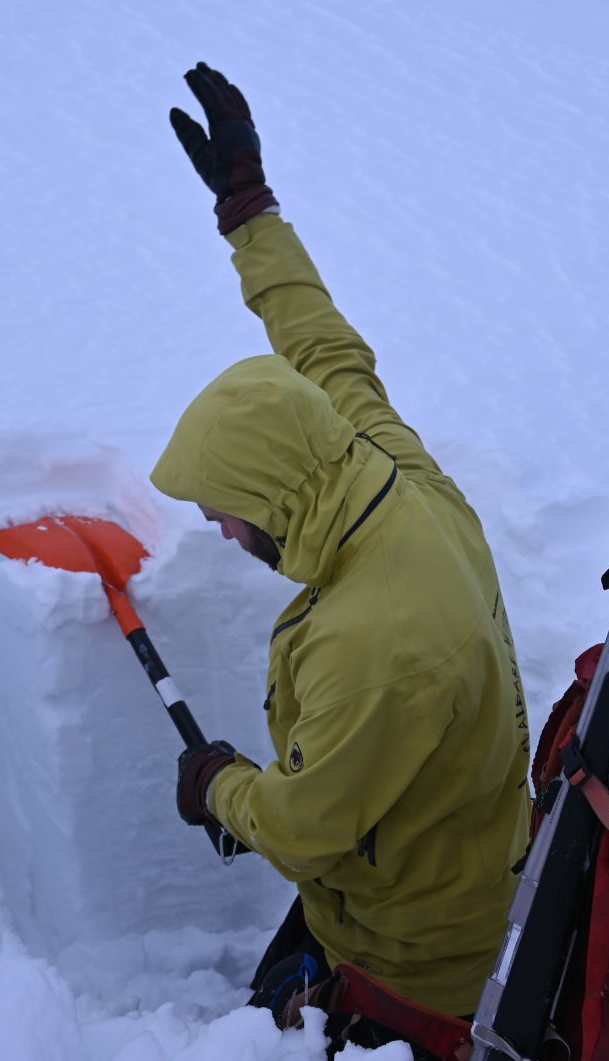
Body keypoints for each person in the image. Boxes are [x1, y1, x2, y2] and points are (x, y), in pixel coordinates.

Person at [151, 63, 533, 1046]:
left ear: (276, 495)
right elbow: (322, 348)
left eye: (224, 513)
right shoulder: (372, 462)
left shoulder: (374, 637)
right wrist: (249, 212)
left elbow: (307, 820)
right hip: (431, 860)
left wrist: (220, 788)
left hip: (413, 953)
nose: (219, 533)